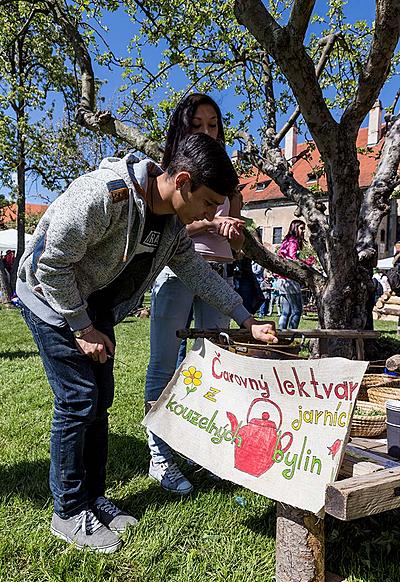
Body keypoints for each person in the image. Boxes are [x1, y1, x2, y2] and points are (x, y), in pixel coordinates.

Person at [16, 133, 278, 554]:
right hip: (50, 297)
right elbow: (50, 265)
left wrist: (246, 319)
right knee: (78, 399)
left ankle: (93, 498)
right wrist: (82, 329)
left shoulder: (173, 229)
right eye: (210, 202)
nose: (213, 213)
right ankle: (67, 511)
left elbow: (200, 274)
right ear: (184, 182)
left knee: (100, 399)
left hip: (91, 303)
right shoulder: (103, 196)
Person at [145, 94, 245, 495]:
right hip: (175, 272)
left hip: (217, 277)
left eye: (213, 125)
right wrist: (203, 225)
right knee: (164, 362)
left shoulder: (228, 178)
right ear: (183, 129)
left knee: (211, 366)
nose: (207, 131)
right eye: (198, 124)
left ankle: (196, 444)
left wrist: (236, 235)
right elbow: (165, 237)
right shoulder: (173, 175)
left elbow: (238, 248)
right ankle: (160, 455)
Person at [277, 219, 313, 330]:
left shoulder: (286, 241)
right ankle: (292, 334)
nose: (303, 231)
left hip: (282, 280)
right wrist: (307, 263)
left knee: (285, 312)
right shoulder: (293, 241)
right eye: (301, 228)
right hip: (290, 281)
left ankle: (282, 334)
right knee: (297, 311)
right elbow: (292, 259)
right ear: (295, 228)